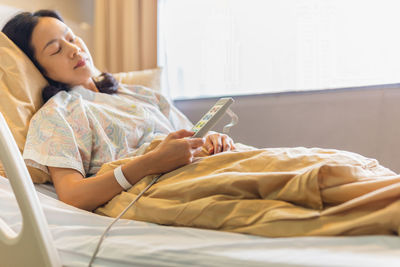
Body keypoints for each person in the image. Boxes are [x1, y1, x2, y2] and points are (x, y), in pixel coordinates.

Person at [2, 10, 235, 211]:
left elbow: (189, 138)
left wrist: (211, 142)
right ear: (39, 70)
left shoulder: (140, 94)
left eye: (72, 38)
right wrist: (152, 162)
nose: (74, 49)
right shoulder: (57, 115)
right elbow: (73, 195)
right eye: (55, 50)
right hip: (167, 186)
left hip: (210, 167)